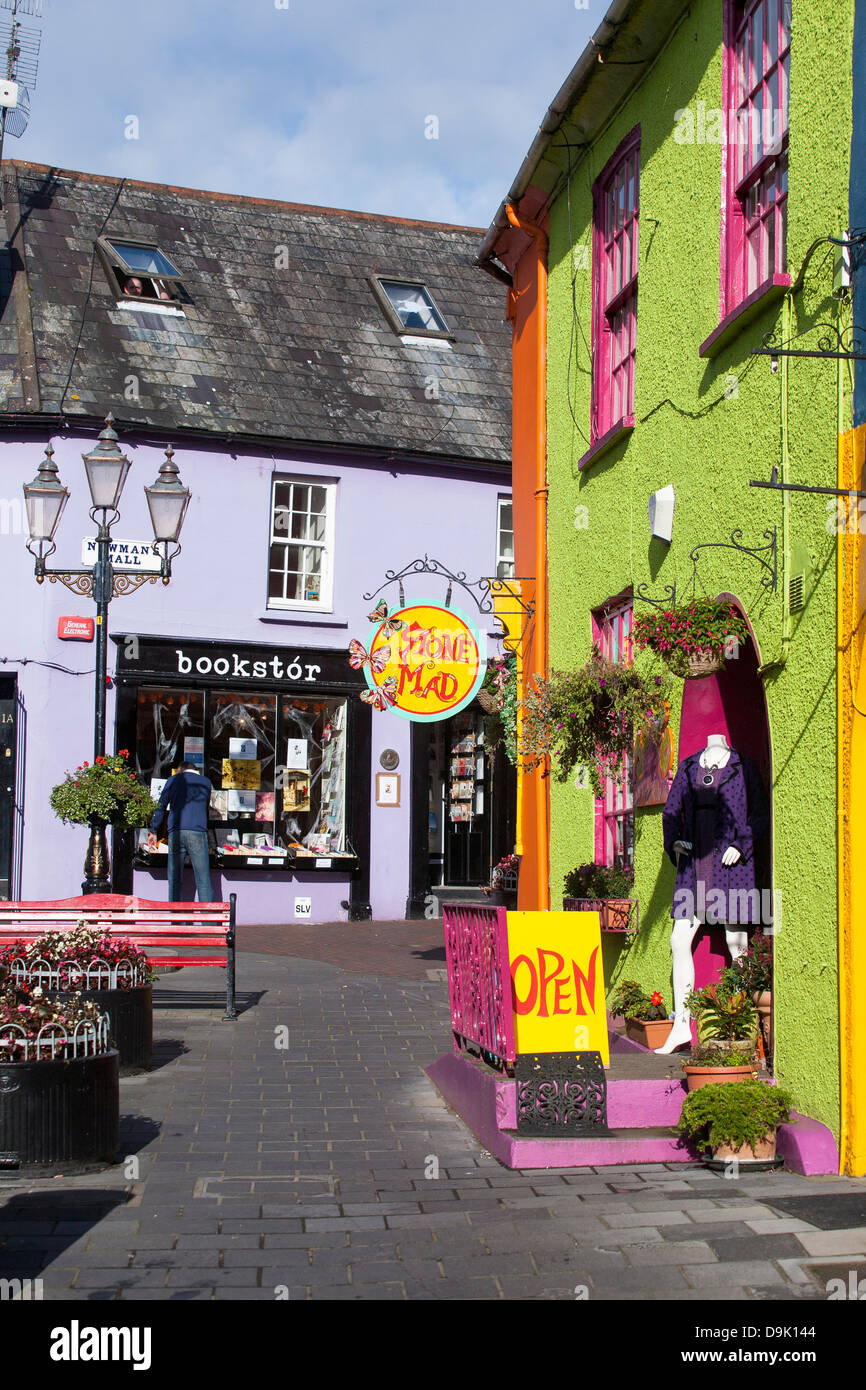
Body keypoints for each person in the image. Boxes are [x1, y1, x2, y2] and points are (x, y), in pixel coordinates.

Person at [147, 762, 215, 902]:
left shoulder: (173, 780)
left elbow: (161, 806)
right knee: (203, 879)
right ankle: (209, 920)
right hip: (198, 831)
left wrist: (154, 830)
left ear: (180, 769)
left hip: (176, 832)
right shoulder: (206, 782)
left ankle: (176, 919)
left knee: (175, 878)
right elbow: (205, 807)